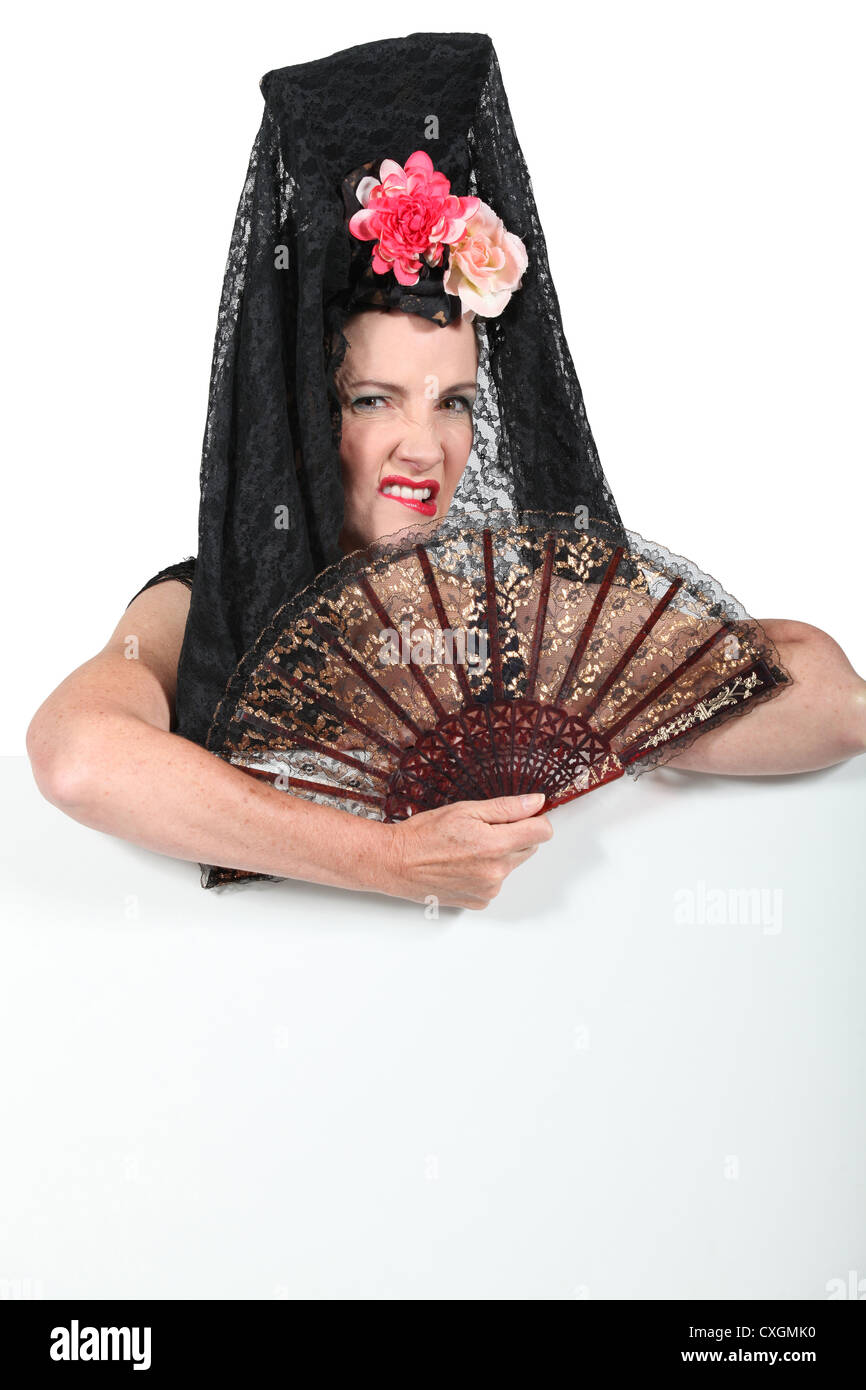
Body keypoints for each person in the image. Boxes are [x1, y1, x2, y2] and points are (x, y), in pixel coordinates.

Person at [26, 35, 866, 908]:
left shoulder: (505, 608)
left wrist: (584, 704)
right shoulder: (205, 605)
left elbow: (833, 703)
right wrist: (383, 860)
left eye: (455, 402)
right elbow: (79, 756)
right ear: (308, 421)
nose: (426, 448)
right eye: (376, 401)